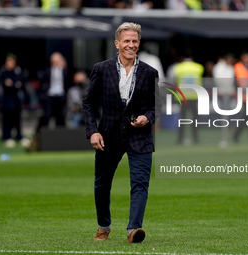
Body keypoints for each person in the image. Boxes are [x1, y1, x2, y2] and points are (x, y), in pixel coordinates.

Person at [83, 22, 161, 243]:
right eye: (126, 41)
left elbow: (156, 106)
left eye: (135, 41)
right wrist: (93, 132)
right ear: (117, 43)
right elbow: (88, 103)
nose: (131, 45)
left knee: (140, 184)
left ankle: (133, 230)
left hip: (140, 136)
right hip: (108, 135)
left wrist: (148, 117)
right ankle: (103, 226)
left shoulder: (150, 72)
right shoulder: (101, 69)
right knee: (102, 183)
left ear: (139, 43)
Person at [171, 50, 204, 145]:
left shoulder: (178, 68)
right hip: (194, 95)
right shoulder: (198, 67)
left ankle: (180, 138)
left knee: (182, 119)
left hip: (182, 96)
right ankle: (196, 138)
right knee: (195, 119)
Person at [0, 53, 29, 148]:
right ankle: (6, 137)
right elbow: (7, 85)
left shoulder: (18, 72)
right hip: (6, 99)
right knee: (7, 119)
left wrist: (13, 84)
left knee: (17, 119)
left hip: (16, 99)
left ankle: (19, 137)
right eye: (8, 61)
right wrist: (14, 85)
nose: (10, 63)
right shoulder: (2, 72)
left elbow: (20, 83)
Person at [36, 52, 69, 133]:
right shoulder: (47, 70)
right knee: (47, 115)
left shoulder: (64, 70)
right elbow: (41, 83)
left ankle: (60, 133)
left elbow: (68, 83)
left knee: (60, 116)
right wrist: (44, 94)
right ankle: (44, 133)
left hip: (60, 95)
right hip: (50, 95)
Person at [213, 53, 236, 147]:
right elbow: (218, 79)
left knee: (228, 111)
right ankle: (223, 129)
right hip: (221, 92)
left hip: (229, 92)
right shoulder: (218, 67)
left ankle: (226, 126)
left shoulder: (230, 67)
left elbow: (232, 79)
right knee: (222, 111)